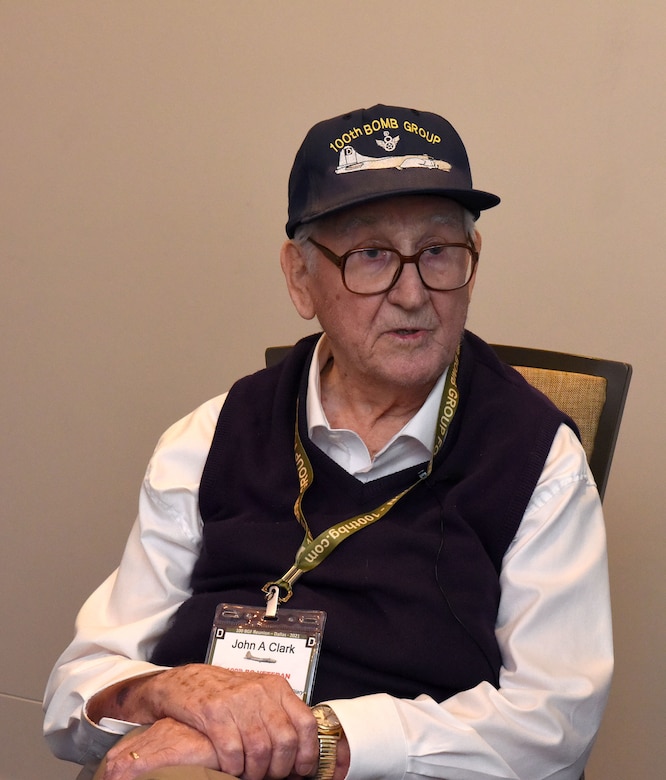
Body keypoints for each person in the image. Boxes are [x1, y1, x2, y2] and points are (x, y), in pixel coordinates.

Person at [43, 104, 612, 780]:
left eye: (438, 252)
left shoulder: (536, 460)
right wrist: (165, 691)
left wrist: (317, 739)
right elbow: (72, 695)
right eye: (371, 255)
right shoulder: (211, 435)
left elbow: (553, 727)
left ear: (474, 262)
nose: (412, 293)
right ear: (299, 277)